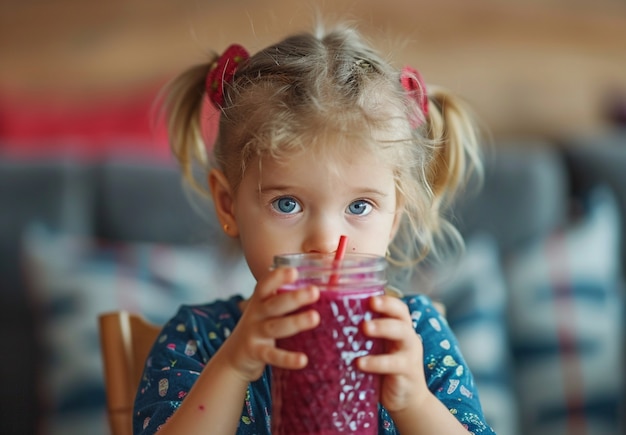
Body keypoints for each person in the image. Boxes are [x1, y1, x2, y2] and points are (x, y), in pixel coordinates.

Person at [133, 22, 495, 435]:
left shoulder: (412, 337)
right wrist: (233, 367)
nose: (325, 242)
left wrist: (413, 401)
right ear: (228, 204)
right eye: (287, 204)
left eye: (359, 206)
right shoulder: (196, 339)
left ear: (394, 218)